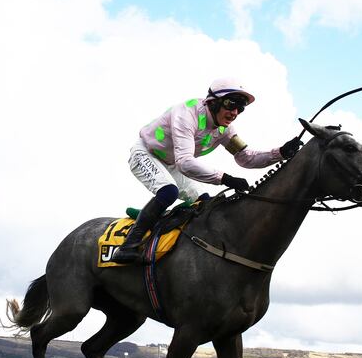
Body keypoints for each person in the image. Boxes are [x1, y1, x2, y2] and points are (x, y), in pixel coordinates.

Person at [111, 78, 302, 264]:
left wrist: (281, 153)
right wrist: (225, 178)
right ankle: (128, 246)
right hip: (145, 153)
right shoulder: (186, 114)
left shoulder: (226, 130)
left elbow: (246, 157)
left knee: (204, 201)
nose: (234, 112)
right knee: (169, 191)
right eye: (230, 104)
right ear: (213, 102)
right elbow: (185, 162)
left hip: (171, 163)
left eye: (240, 108)